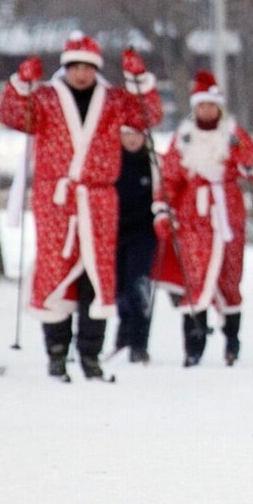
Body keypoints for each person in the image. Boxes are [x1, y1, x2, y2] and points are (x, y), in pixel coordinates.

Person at [0, 31, 161, 381]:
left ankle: (90, 355)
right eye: (75, 68)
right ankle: (56, 354)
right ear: (66, 68)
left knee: (97, 277)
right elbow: (12, 116)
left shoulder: (114, 101)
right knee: (55, 272)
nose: (82, 75)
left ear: (96, 69)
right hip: (57, 199)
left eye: (88, 68)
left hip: (100, 199)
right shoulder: (45, 99)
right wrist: (21, 83)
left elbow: (148, 117)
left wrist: (139, 81)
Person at [152, 71, 253, 367]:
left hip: (228, 216)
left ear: (219, 107)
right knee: (195, 279)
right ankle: (193, 345)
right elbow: (169, 178)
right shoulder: (183, 137)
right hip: (194, 218)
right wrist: (163, 210)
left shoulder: (233, 134)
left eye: (211, 105)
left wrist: (245, 158)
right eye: (201, 105)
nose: (206, 111)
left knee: (230, 279)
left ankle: (232, 341)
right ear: (195, 107)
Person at [112, 126, 159, 363]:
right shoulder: (110, 162)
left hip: (144, 234)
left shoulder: (153, 164)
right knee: (118, 287)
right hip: (114, 233)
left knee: (139, 285)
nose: (131, 140)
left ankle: (140, 343)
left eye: (136, 134)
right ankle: (125, 326)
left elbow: (164, 193)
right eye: (126, 134)